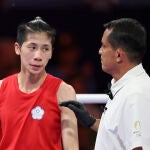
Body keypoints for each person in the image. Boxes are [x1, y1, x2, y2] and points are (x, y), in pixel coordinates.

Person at [60, 18, 150, 150]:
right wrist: (92, 122)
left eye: (104, 46)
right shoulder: (124, 88)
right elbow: (121, 132)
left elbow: (139, 147)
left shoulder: (136, 94)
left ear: (118, 55)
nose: (99, 51)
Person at [0, 16, 79, 150]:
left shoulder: (64, 91)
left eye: (45, 49)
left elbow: (71, 146)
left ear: (51, 53)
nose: (38, 56)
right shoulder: (1, 88)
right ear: (17, 48)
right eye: (32, 47)